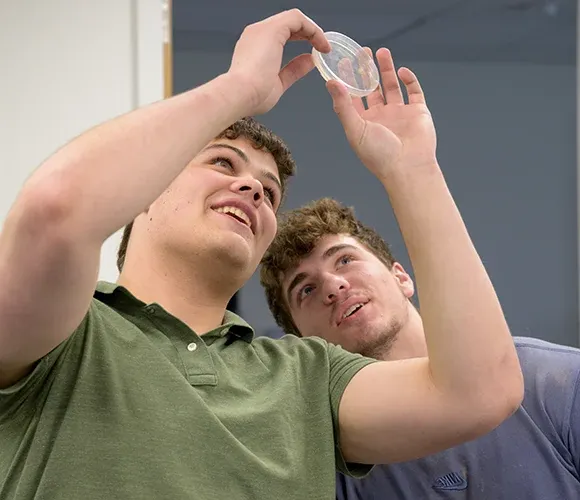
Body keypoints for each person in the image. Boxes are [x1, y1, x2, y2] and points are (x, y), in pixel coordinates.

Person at [0, 9, 522, 500]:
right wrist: (238, 90)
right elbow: (54, 212)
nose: (252, 189)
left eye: (269, 192)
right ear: (147, 190)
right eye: (223, 163)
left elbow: (480, 393)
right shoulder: (67, 331)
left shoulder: (308, 375)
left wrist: (413, 172)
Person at [262, 197, 580, 499]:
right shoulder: (330, 469)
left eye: (344, 260)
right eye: (306, 289)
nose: (333, 286)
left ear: (400, 277)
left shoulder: (558, 383)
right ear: (303, 343)